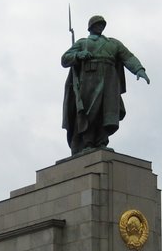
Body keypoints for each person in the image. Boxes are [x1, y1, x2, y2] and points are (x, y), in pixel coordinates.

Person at [61, 15, 150, 155]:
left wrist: (139, 69)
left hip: (110, 79)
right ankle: (88, 143)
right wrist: (78, 55)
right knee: (89, 111)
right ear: (90, 27)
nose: (100, 26)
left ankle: (102, 141)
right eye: (97, 24)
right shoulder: (82, 42)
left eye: (102, 24)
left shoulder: (113, 43)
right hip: (89, 78)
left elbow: (128, 57)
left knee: (107, 111)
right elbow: (65, 59)